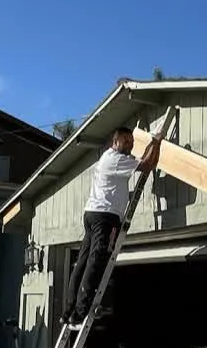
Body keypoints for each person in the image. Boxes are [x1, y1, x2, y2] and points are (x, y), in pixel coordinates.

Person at [60, 125, 160, 326]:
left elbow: (139, 163)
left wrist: (151, 142)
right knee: (96, 260)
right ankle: (80, 312)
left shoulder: (108, 157)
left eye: (131, 142)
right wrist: (157, 141)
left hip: (92, 214)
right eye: (126, 141)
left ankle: (68, 310)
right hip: (105, 217)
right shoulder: (117, 159)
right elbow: (148, 164)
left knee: (83, 261)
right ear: (115, 142)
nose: (130, 145)